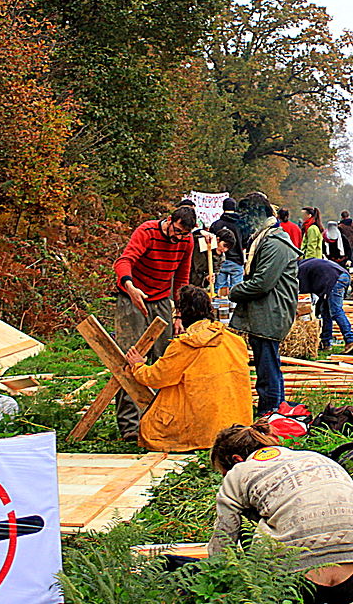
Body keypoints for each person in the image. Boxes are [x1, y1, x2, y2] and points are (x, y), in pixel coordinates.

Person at [208, 421, 353, 604]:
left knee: (248, 520)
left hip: (298, 583)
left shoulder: (239, 472)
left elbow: (223, 543)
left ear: (236, 459)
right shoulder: (316, 457)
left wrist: (218, 589)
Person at [124, 285, 253, 451]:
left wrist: (138, 365)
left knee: (152, 429)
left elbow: (156, 378)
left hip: (204, 428)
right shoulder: (235, 340)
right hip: (238, 426)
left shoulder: (184, 345)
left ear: (182, 313)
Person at [113, 205, 196, 440]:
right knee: (130, 357)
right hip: (133, 296)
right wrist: (130, 286)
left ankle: (158, 419)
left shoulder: (186, 241)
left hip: (161, 299)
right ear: (169, 220)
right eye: (176, 230)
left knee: (164, 360)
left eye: (183, 234)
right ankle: (129, 426)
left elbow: (182, 277)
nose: (177, 237)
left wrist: (179, 313)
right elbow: (124, 261)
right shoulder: (147, 232)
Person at [229, 193, 301, 415]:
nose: (243, 221)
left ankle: (269, 411)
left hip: (271, 311)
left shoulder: (274, 243)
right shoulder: (266, 238)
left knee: (267, 367)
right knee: (269, 364)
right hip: (267, 310)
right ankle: (276, 409)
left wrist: (234, 292)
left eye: (246, 215)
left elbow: (262, 283)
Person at [298, 257, 353, 354]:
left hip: (334, 280)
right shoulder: (305, 265)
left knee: (336, 311)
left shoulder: (300, 271)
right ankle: (326, 342)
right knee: (325, 311)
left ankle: (350, 340)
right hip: (340, 276)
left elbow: (304, 296)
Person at [210, 198, 245, 290]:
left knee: (219, 292)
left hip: (219, 262)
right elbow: (246, 241)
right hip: (237, 260)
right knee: (237, 291)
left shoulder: (216, 224)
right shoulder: (241, 225)